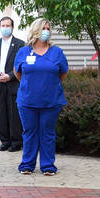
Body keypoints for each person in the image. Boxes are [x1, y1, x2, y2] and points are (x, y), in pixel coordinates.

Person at [13, 18, 68, 175]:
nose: (46, 31)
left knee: (47, 133)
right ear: (35, 30)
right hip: (27, 101)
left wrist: (49, 84)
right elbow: (18, 73)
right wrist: (30, 85)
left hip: (51, 101)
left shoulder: (56, 52)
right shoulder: (23, 52)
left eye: (48, 28)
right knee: (29, 132)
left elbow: (63, 73)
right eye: (43, 28)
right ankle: (27, 165)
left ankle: (48, 166)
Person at [0, 16, 25, 152]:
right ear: (0, 27)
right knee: (1, 113)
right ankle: (5, 141)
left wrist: (10, 76)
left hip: (12, 84)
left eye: (8, 25)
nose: (5, 28)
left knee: (14, 114)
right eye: (3, 25)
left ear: (12, 27)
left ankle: (16, 142)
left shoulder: (20, 44)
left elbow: (21, 65)